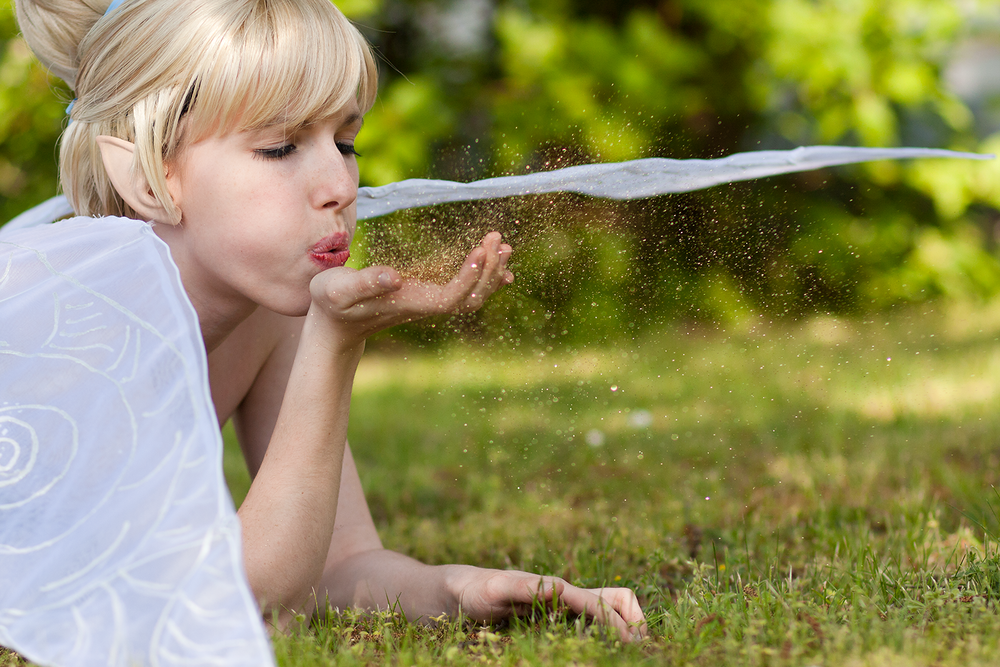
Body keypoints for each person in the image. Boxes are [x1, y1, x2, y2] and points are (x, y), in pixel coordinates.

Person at [2, 0, 646, 659]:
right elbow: (230, 596)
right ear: (146, 175)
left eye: (346, 142)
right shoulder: (73, 333)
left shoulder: (263, 318)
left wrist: (459, 588)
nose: (339, 184)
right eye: (280, 146)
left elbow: (336, 563)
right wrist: (333, 343)